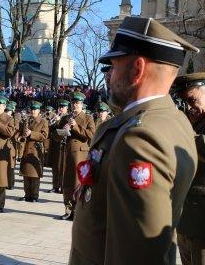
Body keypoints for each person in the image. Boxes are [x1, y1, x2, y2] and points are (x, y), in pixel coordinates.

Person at [70, 16, 199, 265]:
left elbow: (139, 251)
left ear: (138, 69)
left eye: (115, 65)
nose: (109, 76)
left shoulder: (140, 138)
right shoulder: (173, 119)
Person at [174, 72, 205, 265]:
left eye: (193, 100)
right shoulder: (191, 122)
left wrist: (185, 134)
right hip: (185, 220)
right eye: (184, 102)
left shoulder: (190, 128)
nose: (189, 108)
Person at [58, 92, 95, 221]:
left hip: (80, 154)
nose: (75, 105)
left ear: (82, 104)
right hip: (66, 152)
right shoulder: (65, 118)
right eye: (73, 103)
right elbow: (56, 136)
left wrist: (75, 126)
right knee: (67, 182)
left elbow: (90, 135)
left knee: (77, 182)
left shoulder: (88, 118)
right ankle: (68, 210)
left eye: (77, 103)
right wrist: (63, 130)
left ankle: (78, 211)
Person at [19, 101, 48, 202]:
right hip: (26, 148)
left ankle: (34, 195)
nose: (32, 111)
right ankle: (27, 194)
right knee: (26, 174)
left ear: (39, 110)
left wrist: (32, 133)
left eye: (34, 109)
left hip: (36, 149)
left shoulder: (43, 121)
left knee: (35, 174)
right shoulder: (27, 120)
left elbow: (44, 135)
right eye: (31, 109)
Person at [47, 99, 69, 194]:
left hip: (64, 145)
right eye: (60, 107)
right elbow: (49, 130)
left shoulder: (69, 117)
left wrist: (59, 124)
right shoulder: (56, 117)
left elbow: (66, 131)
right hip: (55, 145)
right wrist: (54, 121)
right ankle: (55, 186)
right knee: (55, 167)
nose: (60, 109)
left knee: (63, 167)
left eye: (63, 107)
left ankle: (62, 187)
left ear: (67, 108)